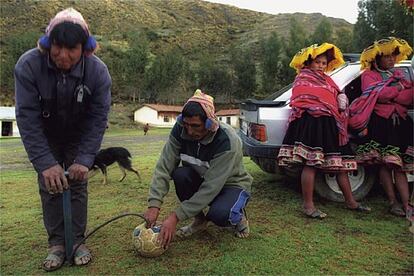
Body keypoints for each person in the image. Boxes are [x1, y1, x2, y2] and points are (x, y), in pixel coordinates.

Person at [14, 8, 111, 271]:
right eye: (57, 47)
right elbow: (26, 117)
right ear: (48, 44)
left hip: (79, 136)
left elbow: (98, 118)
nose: (63, 56)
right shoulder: (28, 65)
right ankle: (57, 243)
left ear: (85, 49)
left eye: (72, 49)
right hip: (46, 134)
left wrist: (85, 158)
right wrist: (45, 163)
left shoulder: (98, 72)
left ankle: (77, 241)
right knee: (51, 185)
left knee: (77, 184)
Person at [144, 90, 252, 248]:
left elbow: (211, 188)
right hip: (203, 180)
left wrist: (175, 216)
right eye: (186, 125)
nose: (189, 131)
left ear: (209, 124)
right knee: (180, 175)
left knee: (220, 214)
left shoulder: (228, 140)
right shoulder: (180, 130)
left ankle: (237, 216)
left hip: (231, 185)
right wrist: (154, 204)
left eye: (195, 126)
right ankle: (200, 221)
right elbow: (164, 167)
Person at [277, 43, 371, 219]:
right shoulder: (303, 78)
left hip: (330, 124)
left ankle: (351, 202)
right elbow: (301, 98)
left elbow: (336, 93)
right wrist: (325, 102)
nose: (321, 66)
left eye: (323, 63)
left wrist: (341, 97)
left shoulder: (328, 80)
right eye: (318, 62)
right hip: (312, 124)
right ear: (309, 63)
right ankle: (308, 206)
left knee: (340, 164)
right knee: (311, 164)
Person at [349, 37, 413, 217]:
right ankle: (393, 202)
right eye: (387, 57)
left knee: (400, 165)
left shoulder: (397, 75)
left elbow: (408, 98)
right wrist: (398, 90)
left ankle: (407, 204)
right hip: (381, 124)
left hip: (400, 123)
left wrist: (394, 93)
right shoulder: (369, 75)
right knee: (385, 165)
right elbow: (380, 95)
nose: (392, 59)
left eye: (394, 56)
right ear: (377, 58)